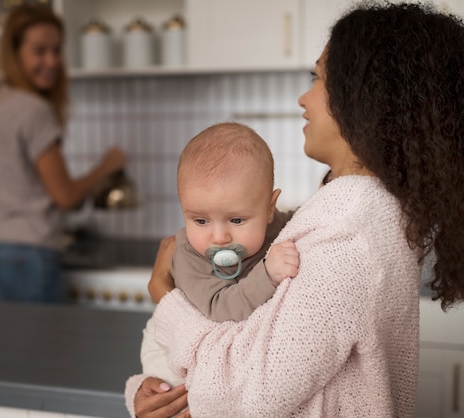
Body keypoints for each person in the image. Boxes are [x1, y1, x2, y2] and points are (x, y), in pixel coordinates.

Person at [125, 3, 464, 417]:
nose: (304, 98)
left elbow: (249, 392)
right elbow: (251, 353)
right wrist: (154, 389)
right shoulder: (345, 211)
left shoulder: (350, 232)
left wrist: (165, 297)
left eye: (318, 78)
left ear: (366, 96)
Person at [0, 4, 126, 303]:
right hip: (32, 255)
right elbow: (66, 197)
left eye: (57, 50)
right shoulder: (35, 110)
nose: (51, 61)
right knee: (41, 349)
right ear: (15, 53)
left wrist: (9, 197)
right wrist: (107, 165)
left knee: (12, 347)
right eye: (39, 50)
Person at [141, 122, 299, 387]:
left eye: (236, 220)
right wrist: (268, 274)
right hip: (168, 348)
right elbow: (219, 307)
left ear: (270, 209)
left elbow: (303, 220)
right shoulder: (189, 254)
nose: (219, 237)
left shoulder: (279, 226)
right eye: (200, 221)